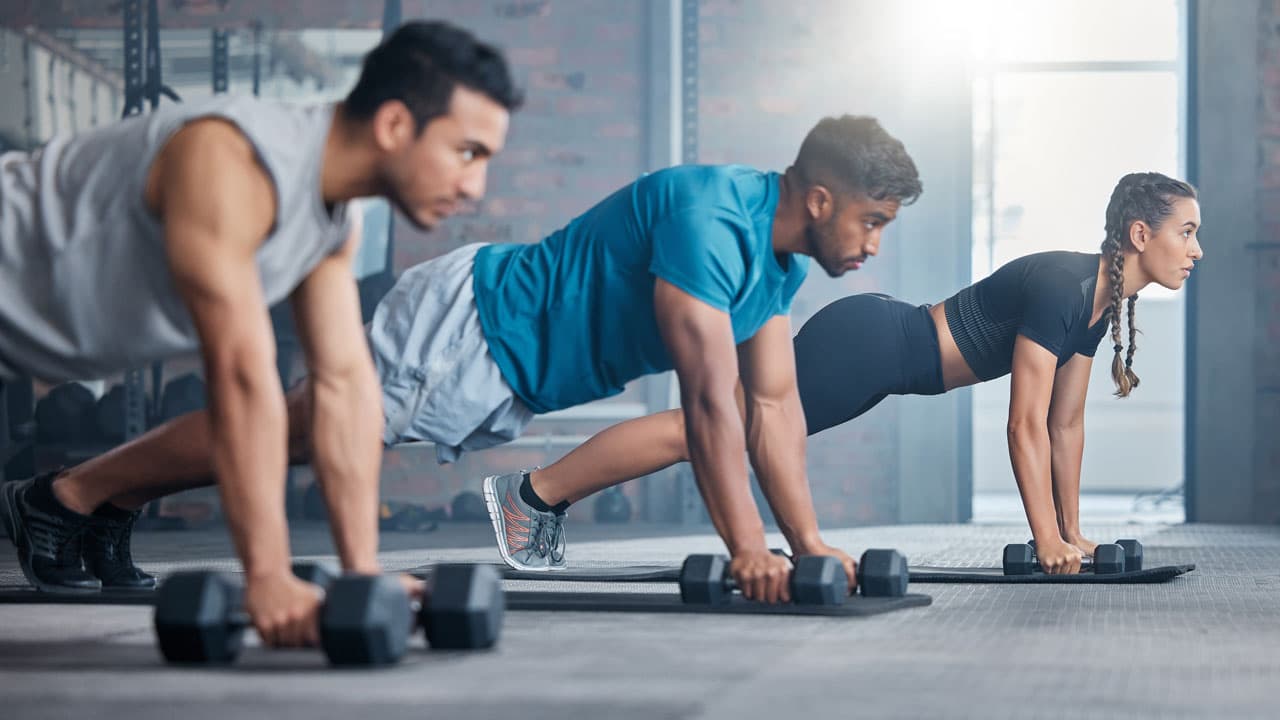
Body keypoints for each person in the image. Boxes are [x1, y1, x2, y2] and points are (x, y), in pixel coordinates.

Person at [28, 115, 923, 604]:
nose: (876, 246)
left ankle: (107, 499)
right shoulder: (711, 221)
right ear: (818, 198)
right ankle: (65, 497)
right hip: (472, 330)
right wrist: (745, 551)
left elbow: (774, 412)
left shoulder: (773, 272)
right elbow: (709, 408)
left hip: (500, 360)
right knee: (295, 432)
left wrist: (804, 544)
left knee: (291, 436)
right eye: (873, 222)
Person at [0, 22, 521, 647]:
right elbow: (242, 378)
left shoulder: (333, 223)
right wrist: (267, 577)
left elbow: (343, 388)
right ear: (393, 126)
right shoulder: (232, 158)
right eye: (468, 152)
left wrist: (362, 578)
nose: (475, 186)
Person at [519, 171, 1201, 576]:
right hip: (871, 345)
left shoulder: (1098, 301)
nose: (1196, 250)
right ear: (1141, 235)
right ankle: (534, 495)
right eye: (1187, 232)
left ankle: (539, 496)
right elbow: (1023, 423)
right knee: (708, 430)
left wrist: (1071, 534)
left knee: (715, 427)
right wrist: (1044, 538)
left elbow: (1065, 424)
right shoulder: (1063, 285)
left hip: (884, 354)